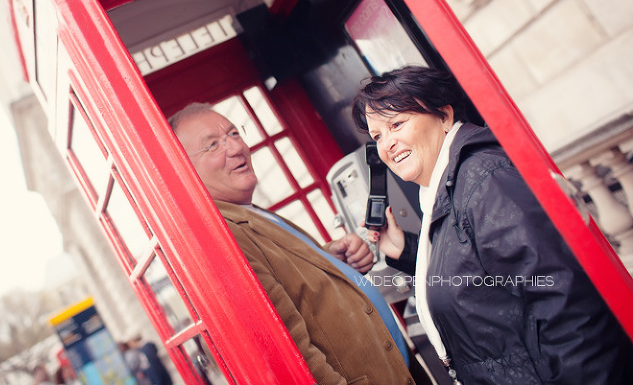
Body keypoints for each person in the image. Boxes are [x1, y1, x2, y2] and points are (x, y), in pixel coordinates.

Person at [352, 65, 633, 384]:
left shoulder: (485, 180)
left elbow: (566, 303)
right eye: (377, 136)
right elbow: (480, 273)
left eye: (397, 124)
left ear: (443, 116)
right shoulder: (448, 189)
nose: (386, 143)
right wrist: (407, 251)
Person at [169, 103, 429, 385]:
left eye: (233, 133)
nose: (235, 148)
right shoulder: (225, 236)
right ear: (183, 168)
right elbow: (288, 343)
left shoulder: (252, 213)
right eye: (212, 145)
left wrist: (332, 262)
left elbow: (295, 289)